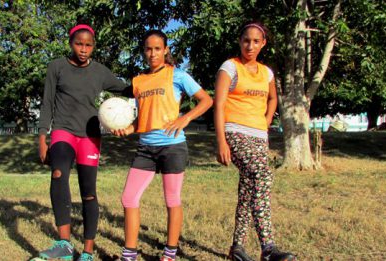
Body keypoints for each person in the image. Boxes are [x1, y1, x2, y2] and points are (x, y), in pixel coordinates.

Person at [113, 30, 213, 261]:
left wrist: (185, 118)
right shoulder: (138, 81)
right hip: (145, 148)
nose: (152, 53)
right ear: (143, 51)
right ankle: (129, 255)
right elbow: (143, 119)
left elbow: (206, 100)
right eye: (148, 49)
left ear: (165, 50)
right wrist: (126, 129)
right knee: (129, 198)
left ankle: (169, 254)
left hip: (173, 147)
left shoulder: (178, 75)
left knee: (172, 199)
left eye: (157, 48)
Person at [37, 23, 130, 261]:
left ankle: (87, 252)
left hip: (89, 135)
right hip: (62, 131)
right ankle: (65, 244)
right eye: (79, 43)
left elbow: (126, 88)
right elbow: (47, 103)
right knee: (58, 174)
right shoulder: (56, 67)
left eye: (88, 45)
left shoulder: (100, 72)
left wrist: (151, 83)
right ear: (70, 43)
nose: (83, 49)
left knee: (88, 192)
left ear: (94, 46)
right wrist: (42, 138)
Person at [214, 22, 296, 261]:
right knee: (262, 175)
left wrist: (266, 121)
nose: (250, 46)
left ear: (263, 44)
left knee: (249, 188)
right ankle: (268, 247)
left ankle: (237, 247)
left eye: (255, 41)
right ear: (240, 42)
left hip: (259, 136)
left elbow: (273, 98)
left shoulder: (267, 73)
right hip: (234, 132)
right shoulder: (229, 67)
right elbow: (218, 105)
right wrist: (221, 141)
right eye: (246, 40)